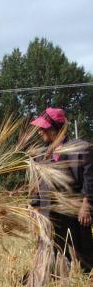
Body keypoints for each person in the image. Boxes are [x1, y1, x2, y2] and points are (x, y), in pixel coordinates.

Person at [30, 107, 93, 273]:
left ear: (53, 129)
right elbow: (37, 185)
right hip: (49, 211)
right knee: (51, 247)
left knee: (80, 248)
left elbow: (89, 178)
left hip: (74, 210)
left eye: (42, 129)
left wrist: (86, 205)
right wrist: (35, 208)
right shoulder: (40, 155)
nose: (39, 132)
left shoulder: (80, 149)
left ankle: (86, 277)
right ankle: (52, 274)